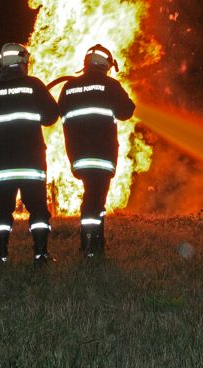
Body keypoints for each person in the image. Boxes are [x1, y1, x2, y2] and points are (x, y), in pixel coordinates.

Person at [0, 42, 59, 264]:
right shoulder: (33, 85)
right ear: (22, 62)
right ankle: (41, 254)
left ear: (2, 64)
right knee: (38, 208)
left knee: (3, 207)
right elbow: (51, 117)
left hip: (1, 167)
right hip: (31, 164)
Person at [57, 44, 135, 257]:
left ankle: (94, 243)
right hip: (101, 154)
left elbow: (58, 113)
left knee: (92, 196)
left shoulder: (69, 87)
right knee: (95, 199)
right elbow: (127, 111)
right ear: (105, 64)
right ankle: (91, 246)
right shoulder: (110, 85)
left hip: (77, 155)